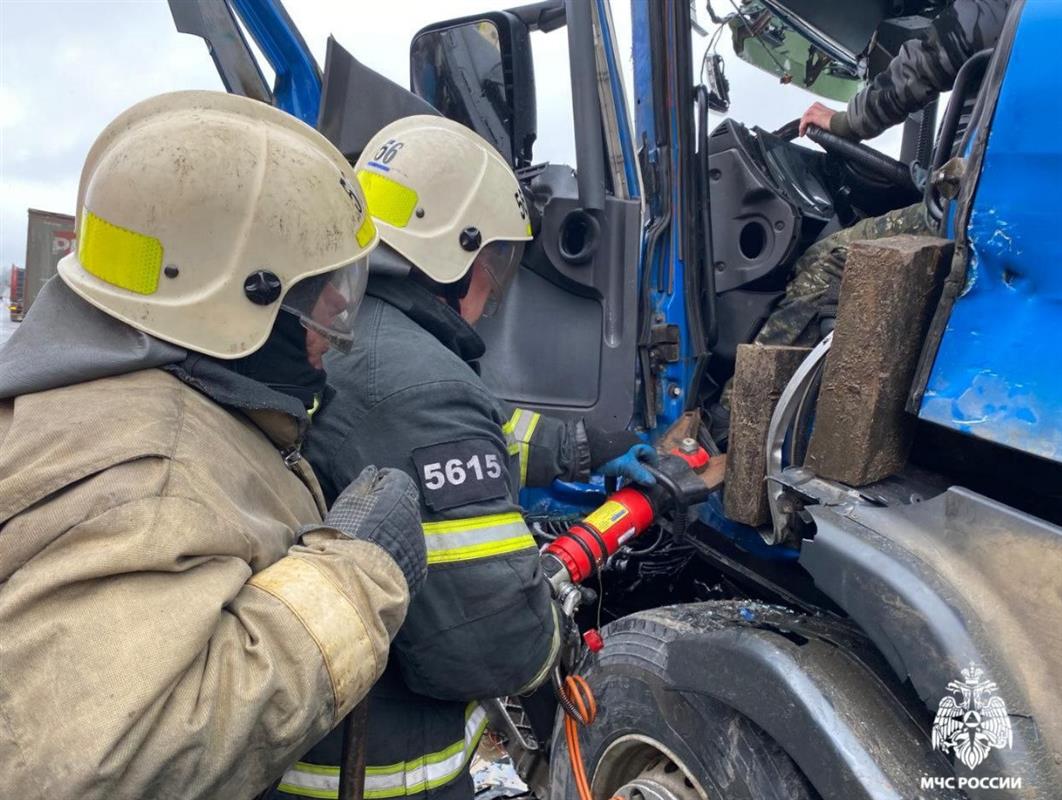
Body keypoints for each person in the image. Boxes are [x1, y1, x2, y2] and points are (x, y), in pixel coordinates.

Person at [0, 91, 428, 800]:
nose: (336, 318)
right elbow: (103, 769)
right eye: (323, 292)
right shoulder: (157, 473)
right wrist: (351, 576)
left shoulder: (67, 389)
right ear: (244, 294)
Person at [274, 115, 657, 800]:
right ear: (458, 252)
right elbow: (490, 646)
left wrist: (592, 450)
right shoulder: (421, 383)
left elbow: (483, 430)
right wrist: (551, 627)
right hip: (373, 775)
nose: (496, 284)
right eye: (498, 261)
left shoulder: (351, 331)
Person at [741, 0, 1011, 357]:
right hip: (996, 204)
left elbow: (938, 53)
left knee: (825, 261)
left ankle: (737, 410)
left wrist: (847, 123)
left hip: (981, 212)